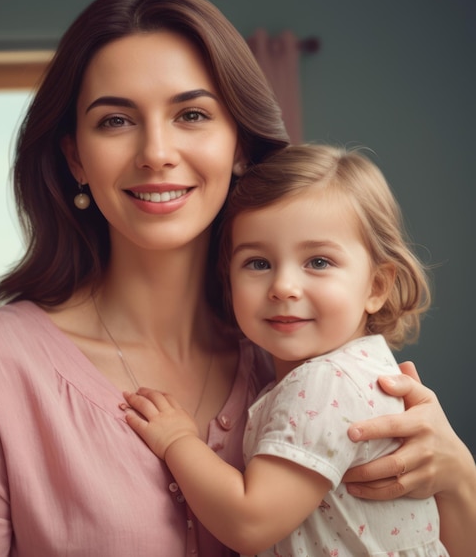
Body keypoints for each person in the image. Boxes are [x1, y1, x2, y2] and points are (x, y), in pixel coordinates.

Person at [0, 0, 476, 556]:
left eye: (192, 114)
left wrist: (459, 477)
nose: (156, 153)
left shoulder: (304, 356)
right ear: (75, 158)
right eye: (116, 121)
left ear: (240, 144)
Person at [122, 144, 450, 556]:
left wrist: (177, 440)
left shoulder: (326, 381)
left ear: (376, 287)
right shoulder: (353, 368)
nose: (283, 287)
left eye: (318, 262)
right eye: (258, 263)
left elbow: (249, 520)